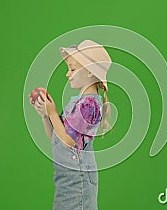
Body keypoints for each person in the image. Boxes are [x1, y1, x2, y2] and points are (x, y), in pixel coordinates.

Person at [30, 39, 112, 210]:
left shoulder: (89, 105)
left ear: (89, 72)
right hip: (66, 176)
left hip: (78, 179)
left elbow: (69, 141)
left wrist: (52, 112)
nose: (68, 74)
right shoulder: (78, 102)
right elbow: (56, 137)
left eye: (73, 69)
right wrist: (45, 116)